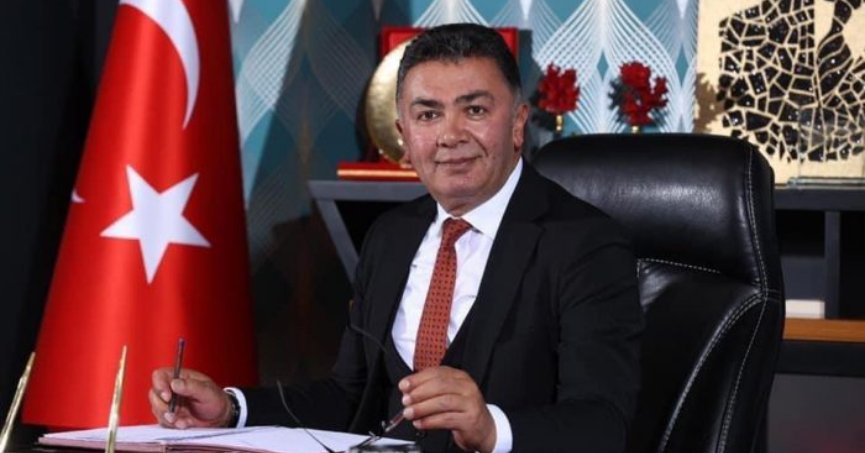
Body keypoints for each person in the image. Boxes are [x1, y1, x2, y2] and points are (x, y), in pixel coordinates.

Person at [150, 23, 643, 453]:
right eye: (428, 115)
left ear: (517, 124)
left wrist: (491, 428)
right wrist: (231, 408)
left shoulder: (585, 244)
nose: (450, 135)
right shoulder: (391, 236)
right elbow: (349, 397)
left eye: (474, 110)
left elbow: (603, 424)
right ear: (403, 136)